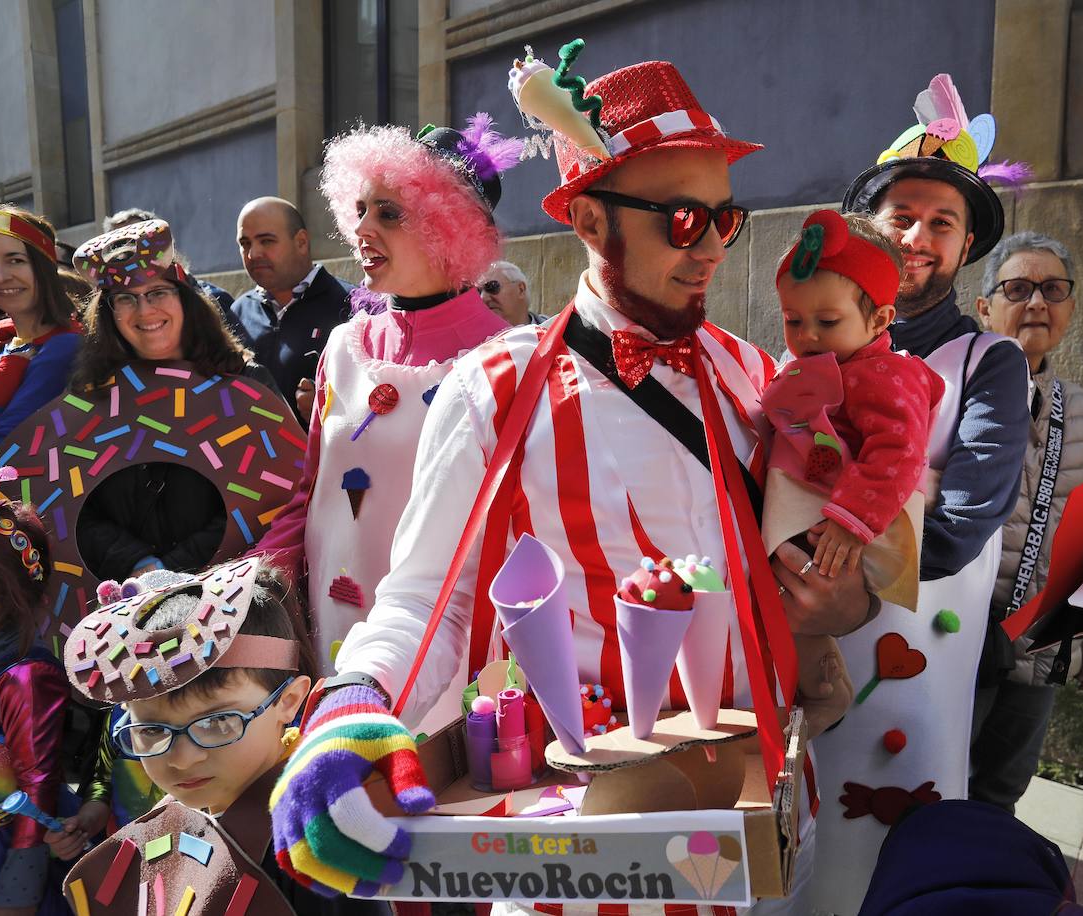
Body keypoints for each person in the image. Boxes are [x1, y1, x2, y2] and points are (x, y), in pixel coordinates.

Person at [269, 53, 869, 912]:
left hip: (767, 824)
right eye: (684, 219)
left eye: (725, 220)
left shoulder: (753, 374)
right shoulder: (494, 389)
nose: (709, 251)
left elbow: (821, 564)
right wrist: (354, 702)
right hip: (590, 859)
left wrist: (843, 605)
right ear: (590, 218)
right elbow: (424, 594)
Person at [808, 73, 1032, 915]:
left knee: (894, 837)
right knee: (804, 830)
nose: (918, 236)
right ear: (871, 226)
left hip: (912, 644)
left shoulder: (988, 364)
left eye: (943, 223)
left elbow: (964, 520)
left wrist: (837, 583)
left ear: (965, 246)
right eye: (902, 215)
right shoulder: (816, 348)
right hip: (804, 643)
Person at [254, 117, 517, 706]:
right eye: (361, 208)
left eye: (390, 212)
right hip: (335, 623)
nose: (362, 228)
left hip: (446, 647)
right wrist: (248, 577)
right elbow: (309, 494)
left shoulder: (505, 358)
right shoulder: (343, 347)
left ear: (451, 228)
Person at [56, 559, 391, 916]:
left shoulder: (319, 841)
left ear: (288, 702)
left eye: (217, 723)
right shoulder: (169, 818)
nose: (182, 759)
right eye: (152, 730)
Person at [764, 209, 942, 700]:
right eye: (792, 320)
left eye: (828, 321)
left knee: (807, 631)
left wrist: (852, 517)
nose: (808, 335)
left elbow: (900, 450)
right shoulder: (824, 364)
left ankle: (822, 700)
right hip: (815, 517)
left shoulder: (886, 374)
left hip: (843, 524)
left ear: (881, 319)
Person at [968, 231, 1083, 812]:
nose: (1037, 303)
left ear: (1070, 308)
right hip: (963, 636)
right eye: (1018, 288)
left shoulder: (1075, 406)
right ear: (984, 308)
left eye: (1053, 289)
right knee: (935, 785)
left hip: (1040, 638)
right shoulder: (953, 389)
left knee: (1002, 790)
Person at [70, 219, 279, 581]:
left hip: (231, 594)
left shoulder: (244, 382)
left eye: (157, 293)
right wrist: (137, 563)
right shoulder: (94, 396)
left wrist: (172, 568)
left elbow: (271, 495)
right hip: (122, 601)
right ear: (110, 314)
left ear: (185, 299)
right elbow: (74, 508)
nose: (145, 310)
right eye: (125, 299)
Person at [0, 487, 73, 914]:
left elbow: (38, 791)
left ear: (14, 601)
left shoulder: (25, 679)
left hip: (9, 867)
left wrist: (12, 904)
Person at [230, 197, 353, 424]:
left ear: (301, 242)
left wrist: (334, 406)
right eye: (245, 243)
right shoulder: (236, 313)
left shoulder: (350, 306)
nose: (253, 253)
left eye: (266, 241)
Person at [0, 204, 83, 448]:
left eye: (15, 260)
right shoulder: (7, 341)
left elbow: (5, 444)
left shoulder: (64, 345)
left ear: (43, 267)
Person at [101, 207, 237, 319]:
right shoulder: (106, 310)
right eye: (118, 245)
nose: (127, 252)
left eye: (136, 241)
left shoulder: (215, 298)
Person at [478, 260, 541, 325]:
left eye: (492, 287)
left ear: (521, 289)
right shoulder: (471, 334)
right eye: (478, 292)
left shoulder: (550, 330)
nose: (483, 297)